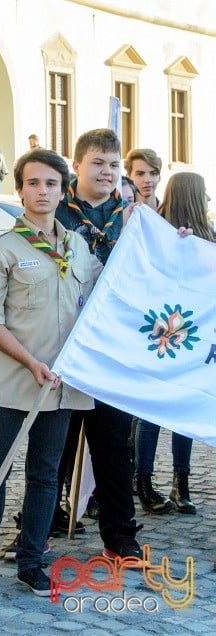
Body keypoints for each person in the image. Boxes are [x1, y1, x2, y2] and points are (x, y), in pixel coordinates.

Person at [0, 148, 104, 596]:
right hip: (12, 380)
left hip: (60, 385)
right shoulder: (2, 250)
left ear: (63, 190)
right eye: (33, 183)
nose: (42, 191)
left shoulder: (78, 248)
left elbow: (103, 295)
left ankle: (32, 560)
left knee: (45, 474)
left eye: (51, 184)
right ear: (19, 190)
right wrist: (30, 362)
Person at [54, 128, 143, 560]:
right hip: (61, 343)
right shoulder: (55, 210)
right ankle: (43, 520)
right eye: (97, 163)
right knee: (56, 442)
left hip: (111, 348)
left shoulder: (133, 217)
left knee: (112, 445)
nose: (106, 172)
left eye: (113, 165)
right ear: (77, 165)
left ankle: (119, 535)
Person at [133, 172, 213, 516]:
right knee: (151, 412)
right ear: (194, 196)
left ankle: (181, 482)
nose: (209, 198)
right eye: (205, 193)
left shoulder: (209, 238)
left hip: (192, 336)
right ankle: (144, 483)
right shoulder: (158, 232)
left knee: (184, 410)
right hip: (160, 332)